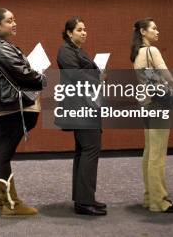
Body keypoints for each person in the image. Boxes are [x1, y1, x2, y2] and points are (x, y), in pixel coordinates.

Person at [0, 8, 45, 217]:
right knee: (3, 154)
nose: (14, 23)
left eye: (15, 19)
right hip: (7, 107)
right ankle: (11, 204)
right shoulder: (0, 48)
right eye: (9, 21)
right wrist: (42, 77)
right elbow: (24, 74)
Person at [131, 18, 173, 213]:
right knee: (158, 154)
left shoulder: (137, 54)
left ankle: (149, 197)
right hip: (158, 103)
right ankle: (160, 200)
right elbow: (166, 75)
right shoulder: (152, 51)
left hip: (145, 104)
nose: (157, 31)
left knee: (150, 151)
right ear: (143, 32)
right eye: (154, 28)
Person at [56, 17, 107, 216]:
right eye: (79, 29)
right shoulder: (65, 50)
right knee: (91, 150)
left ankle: (83, 198)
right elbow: (75, 76)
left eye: (85, 29)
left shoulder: (78, 51)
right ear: (69, 33)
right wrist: (98, 76)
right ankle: (85, 202)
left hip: (86, 105)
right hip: (81, 107)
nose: (84, 32)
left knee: (83, 151)